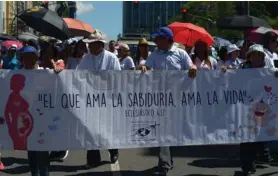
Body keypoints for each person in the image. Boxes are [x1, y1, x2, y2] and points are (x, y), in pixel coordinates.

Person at [141, 26, 197, 176]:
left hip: (177, 99)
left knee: (172, 131)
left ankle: (167, 159)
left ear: (166, 39)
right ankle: (164, 163)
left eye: (158, 38)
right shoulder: (155, 54)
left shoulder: (181, 53)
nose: (155, 41)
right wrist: (144, 68)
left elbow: (191, 65)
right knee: (163, 129)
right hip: (160, 99)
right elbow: (146, 66)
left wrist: (192, 68)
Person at [77, 31, 121, 168]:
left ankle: (113, 152)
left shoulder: (111, 58)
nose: (89, 47)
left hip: (107, 99)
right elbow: (77, 76)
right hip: (90, 99)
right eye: (89, 44)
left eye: (92, 44)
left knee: (108, 128)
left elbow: (118, 77)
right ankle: (93, 160)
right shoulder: (86, 59)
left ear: (100, 44)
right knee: (90, 130)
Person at [238, 44, 276, 176]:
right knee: (245, 138)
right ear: (250, 57)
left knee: (257, 137)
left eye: (259, 55)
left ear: (262, 57)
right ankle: (246, 166)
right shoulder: (242, 69)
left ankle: (252, 161)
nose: (256, 58)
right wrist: (225, 70)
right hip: (245, 109)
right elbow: (230, 79)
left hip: (261, 109)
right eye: (254, 55)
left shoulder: (268, 70)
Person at [19, 46, 50, 176]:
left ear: (36, 58)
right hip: (26, 119)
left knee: (42, 153)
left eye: (30, 57)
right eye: (24, 57)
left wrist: (58, 72)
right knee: (31, 153)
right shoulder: (17, 74)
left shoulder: (45, 72)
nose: (27, 60)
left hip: (42, 119)